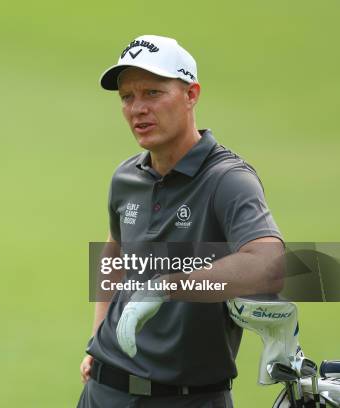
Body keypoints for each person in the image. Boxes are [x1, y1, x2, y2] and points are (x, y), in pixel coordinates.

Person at [76, 35, 285, 408]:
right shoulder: (126, 177)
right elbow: (115, 252)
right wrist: (98, 334)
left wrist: (165, 287)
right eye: (127, 97)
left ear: (191, 94)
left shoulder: (228, 180)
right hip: (103, 391)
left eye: (153, 93)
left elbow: (269, 264)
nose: (137, 109)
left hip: (189, 399)